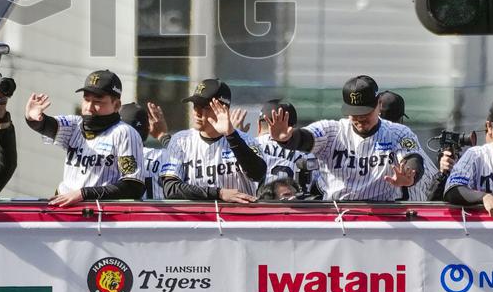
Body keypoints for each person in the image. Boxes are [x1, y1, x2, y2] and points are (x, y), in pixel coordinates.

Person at [278, 75, 432, 201]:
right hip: (337, 212)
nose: (360, 119)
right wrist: (288, 138)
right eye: (355, 114)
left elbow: (413, 159)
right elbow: (306, 138)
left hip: (385, 214)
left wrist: (409, 176)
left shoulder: (397, 132)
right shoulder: (332, 130)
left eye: (365, 113)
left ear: (379, 104)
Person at [25, 69, 145, 206]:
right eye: (86, 99)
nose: (89, 107)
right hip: (64, 208)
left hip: (101, 215)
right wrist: (33, 118)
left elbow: (133, 186)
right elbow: (45, 124)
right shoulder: (75, 124)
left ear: (116, 105)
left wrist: (84, 193)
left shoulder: (124, 133)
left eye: (98, 101)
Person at [160, 78, 267, 202]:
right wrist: (219, 193)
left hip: (239, 218)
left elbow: (258, 174)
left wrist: (231, 135)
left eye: (204, 107)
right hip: (197, 219)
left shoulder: (246, 140)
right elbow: (171, 189)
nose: (197, 112)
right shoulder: (180, 141)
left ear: (223, 109)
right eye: (195, 105)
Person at [255, 99, 322, 198]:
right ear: (293, 127)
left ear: (259, 126)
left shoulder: (250, 146)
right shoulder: (309, 152)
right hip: (297, 210)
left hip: (258, 209)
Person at [120, 101, 170, 200]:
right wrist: (162, 135)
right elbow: (184, 157)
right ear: (147, 130)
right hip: (160, 214)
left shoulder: (110, 158)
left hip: (125, 214)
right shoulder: (164, 156)